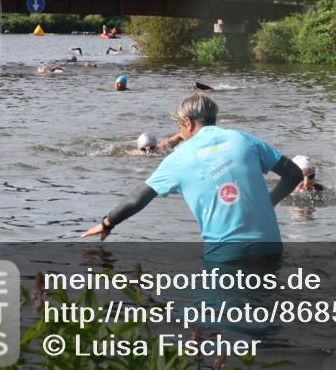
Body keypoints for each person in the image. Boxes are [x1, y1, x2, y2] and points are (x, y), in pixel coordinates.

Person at [81, 94, 304, 262]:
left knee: (217, 319)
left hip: (225, 255)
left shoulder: (179, 157)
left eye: (179, 126)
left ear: (188, 123)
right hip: (271, 247)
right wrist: (269, 202)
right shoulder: (246, 140)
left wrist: (107, 223)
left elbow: (137, 198)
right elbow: (294, 174)